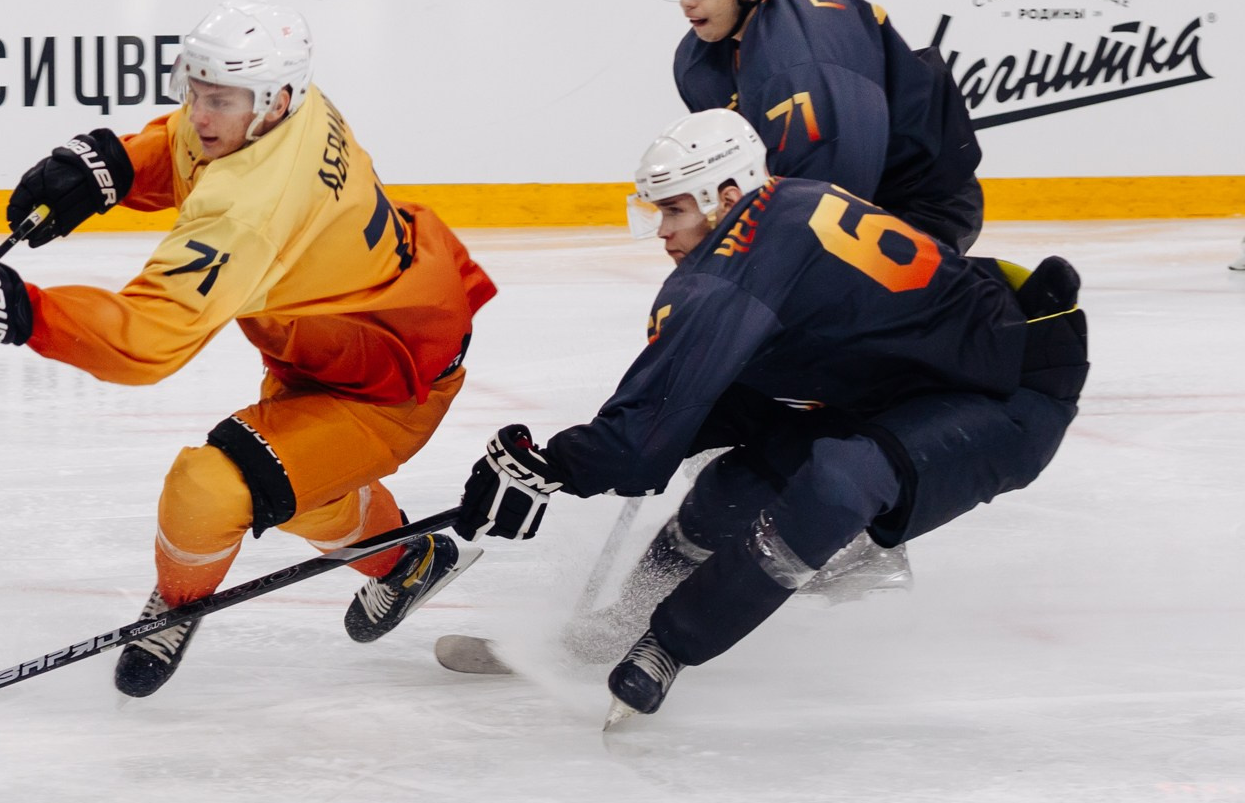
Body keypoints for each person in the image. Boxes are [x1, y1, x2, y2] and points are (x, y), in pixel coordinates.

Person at [0, 0, 498, 697]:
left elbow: (147, 343)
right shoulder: (287, 106)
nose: (201, 116)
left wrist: (15, 309)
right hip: (356, 338)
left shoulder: (252, 209)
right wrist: (112, 168)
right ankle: (404, 563)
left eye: (220, 101)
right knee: (292, 490)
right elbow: (187, 144)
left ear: (274, 101)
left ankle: (178, 606)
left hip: (386, 385)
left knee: (209, 488)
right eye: (196, 91)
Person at [454, 109, 1085, 723]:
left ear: (726, 195)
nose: (663, 232)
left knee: (840, 483)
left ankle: (670, 643)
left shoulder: (738, 272)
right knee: (734, 484)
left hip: (1010, 388)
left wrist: (553, 465)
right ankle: (626, 620)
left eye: (674, 209)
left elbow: (639, 444)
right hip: (906, 378)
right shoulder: (782, 204)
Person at [660, 0, 985, 250]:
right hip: (856, 186)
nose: (687, 1)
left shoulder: (805, 69)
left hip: (919, 205)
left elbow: (832, 214)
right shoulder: (700, 57)